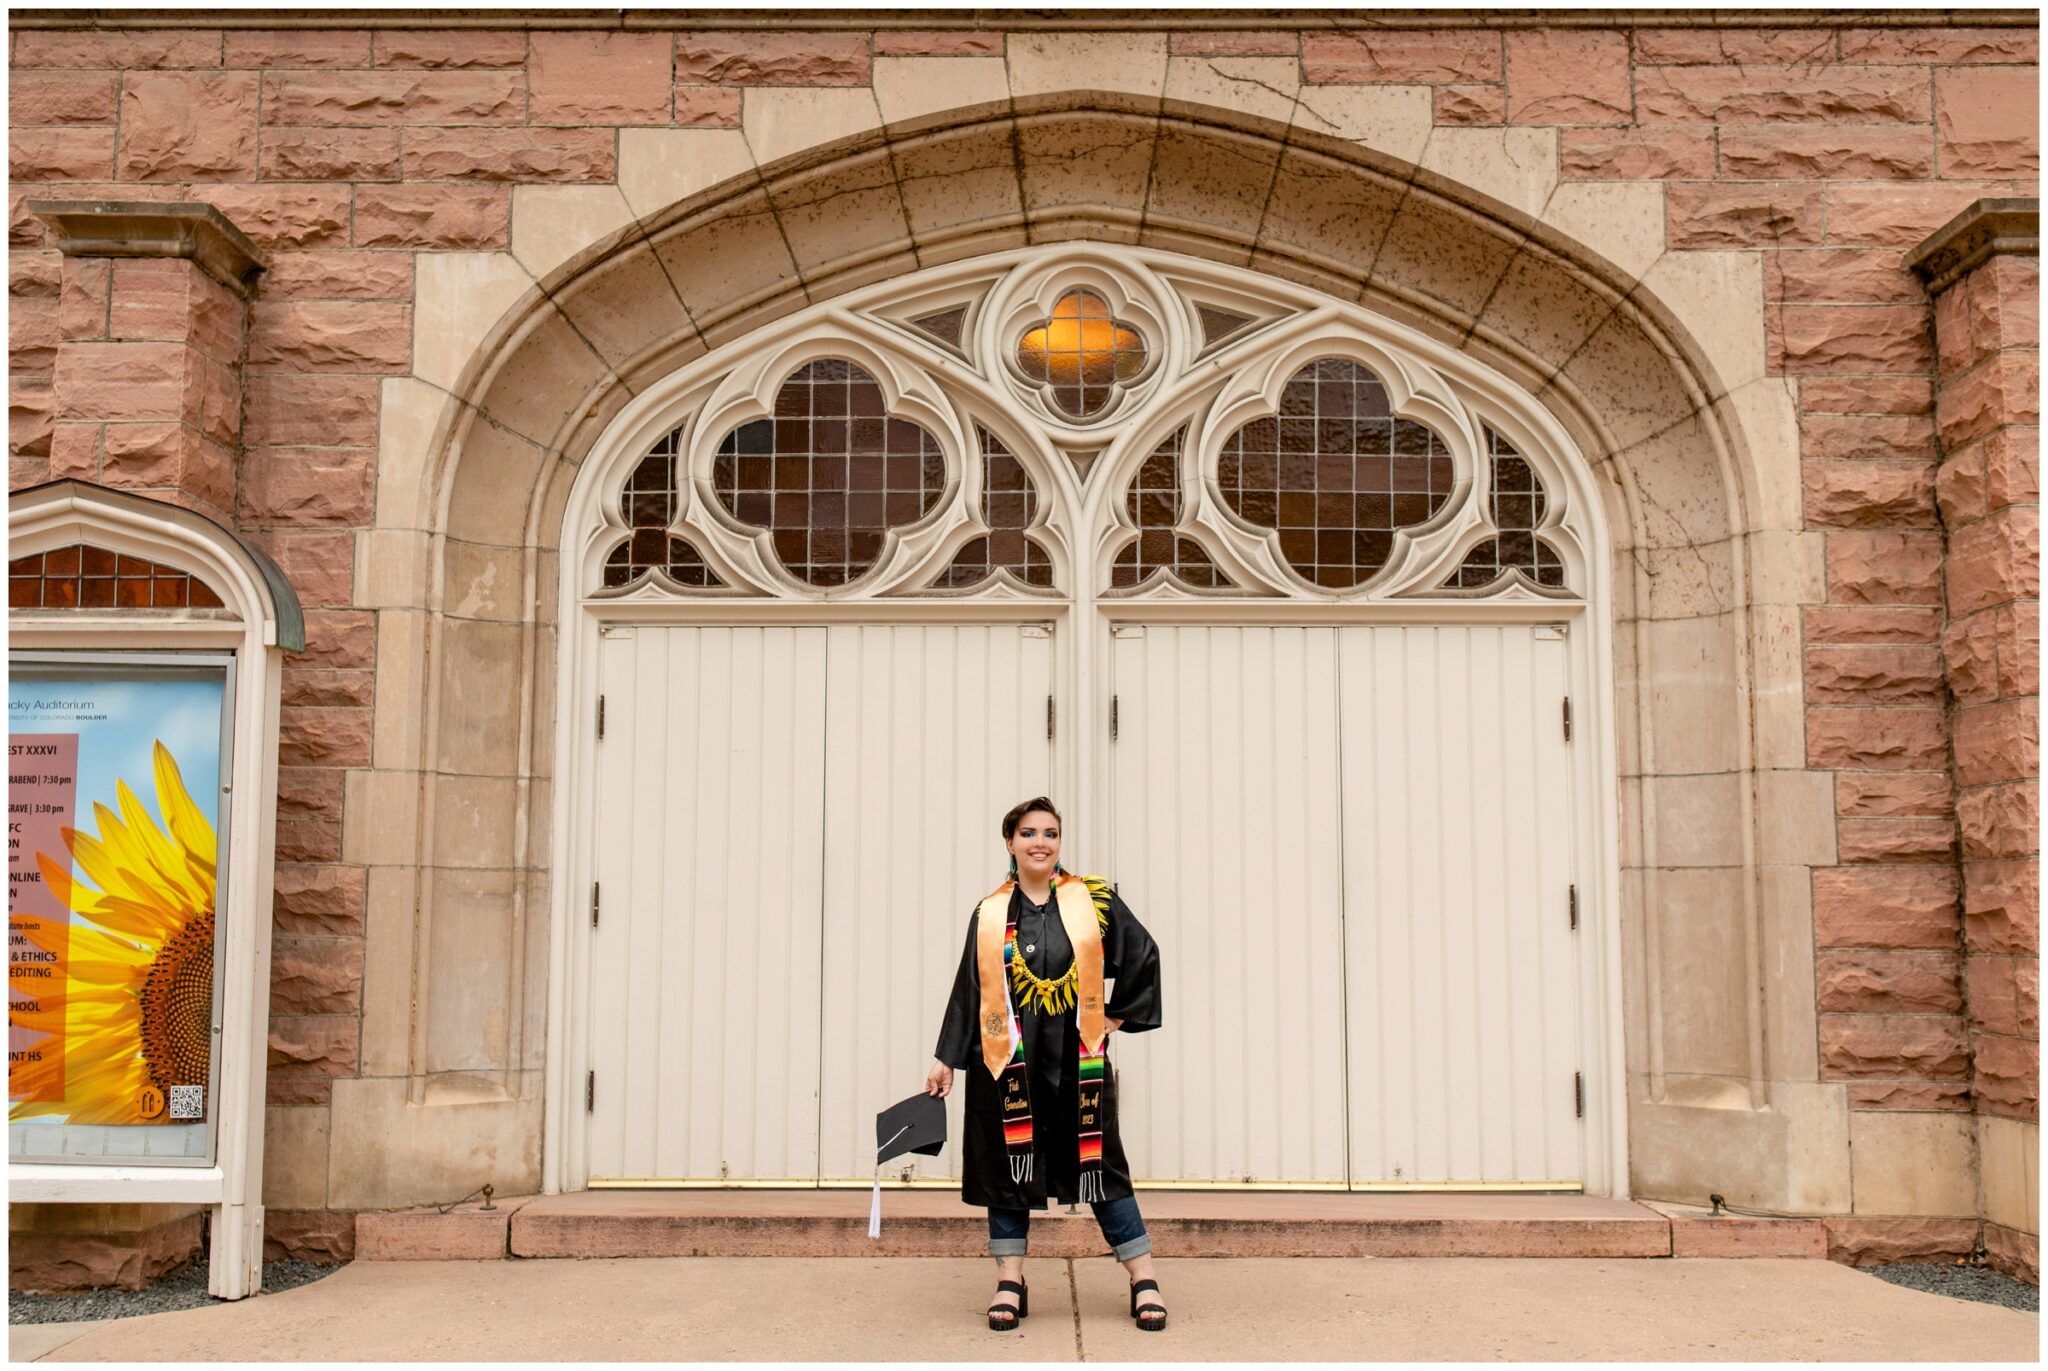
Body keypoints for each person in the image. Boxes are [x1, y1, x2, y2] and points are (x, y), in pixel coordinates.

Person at [926, 796, 1168, 1332]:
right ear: (1010, 842)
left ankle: (1143, 1276)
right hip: (1006, 1060)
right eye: (1029, 833)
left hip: (1077, 1061)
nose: (1041, 842)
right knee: (1007, 1163)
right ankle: (1009, 1279)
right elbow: (970, 987)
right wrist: (947, 1058)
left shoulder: (1093, 901)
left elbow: (1143, 954)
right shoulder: (991, 913)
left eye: (1050, 833)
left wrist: (1117, 1016)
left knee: (1099, 1161)